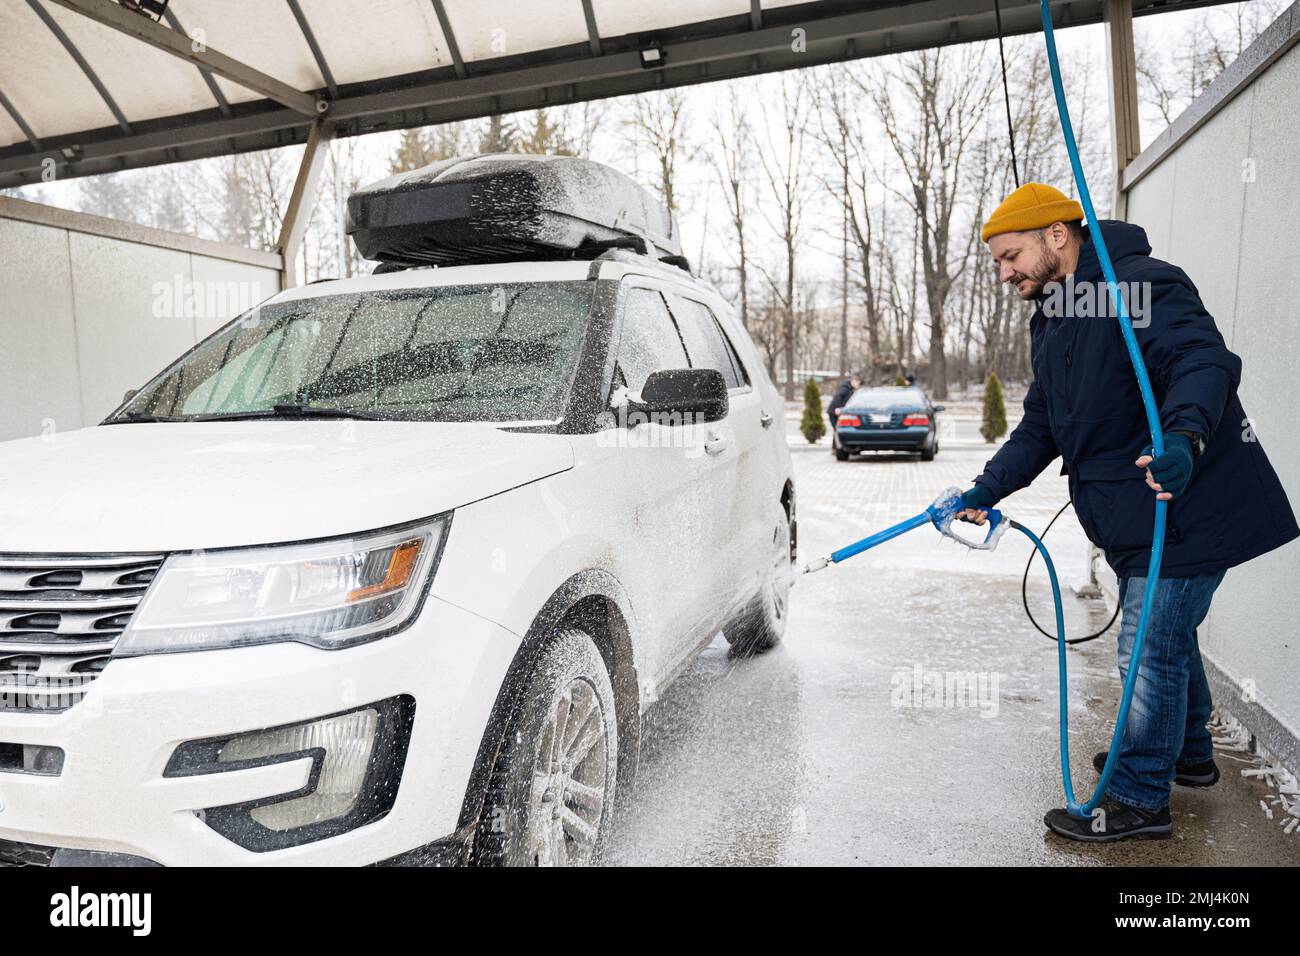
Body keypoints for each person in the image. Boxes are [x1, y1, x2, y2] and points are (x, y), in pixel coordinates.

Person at [961, 182, 1298, 842]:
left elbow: (1200, 359)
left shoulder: (1142, 285)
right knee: (1166, 640)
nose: (1005, 273)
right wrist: (983, 489)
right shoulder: (1055, 315)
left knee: (1145, 649)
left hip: (1188, 502)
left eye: (1010, 256)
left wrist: (1184, 438)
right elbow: (1041, 427)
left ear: (1056, 235)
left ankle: (1140, 796)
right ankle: (1190, 757)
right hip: (1131, 517)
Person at [827, 371, 862, 453]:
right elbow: (838, 396)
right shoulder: (845, 388)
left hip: (839, 411)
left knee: (837, 430)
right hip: (834, 412)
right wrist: (838, 408)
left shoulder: (850, 388)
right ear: (854, 381)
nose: (858, 386)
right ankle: (836, 449)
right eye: (858, 383)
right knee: (837, 430)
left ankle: (835, 449)